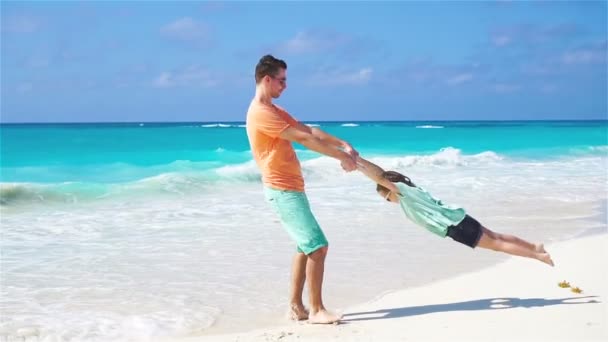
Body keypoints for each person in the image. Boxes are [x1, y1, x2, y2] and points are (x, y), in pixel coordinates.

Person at [246, 55, 358, 324]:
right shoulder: (261, 113)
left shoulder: (273, 109)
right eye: (282, 80)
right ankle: (317, 310)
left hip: (292, 189)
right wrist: (340, 157)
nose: (285, 86)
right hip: (282, 191)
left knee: (304, 246)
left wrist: (342, 143)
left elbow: (309, 129)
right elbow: (304, 139)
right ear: (267, 79)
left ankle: (296, 307)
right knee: (318, 247)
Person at [355, 156, 554, 266]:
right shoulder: (416, 190)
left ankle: (538, 256)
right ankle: (534, 246)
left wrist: (356, 162)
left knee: (496, 245)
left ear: (391, 189)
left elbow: (378, 176)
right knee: (496, 236)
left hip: (454, 226)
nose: (389, 201)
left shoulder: (405, 194)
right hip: (458, 216)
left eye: (386, 197)